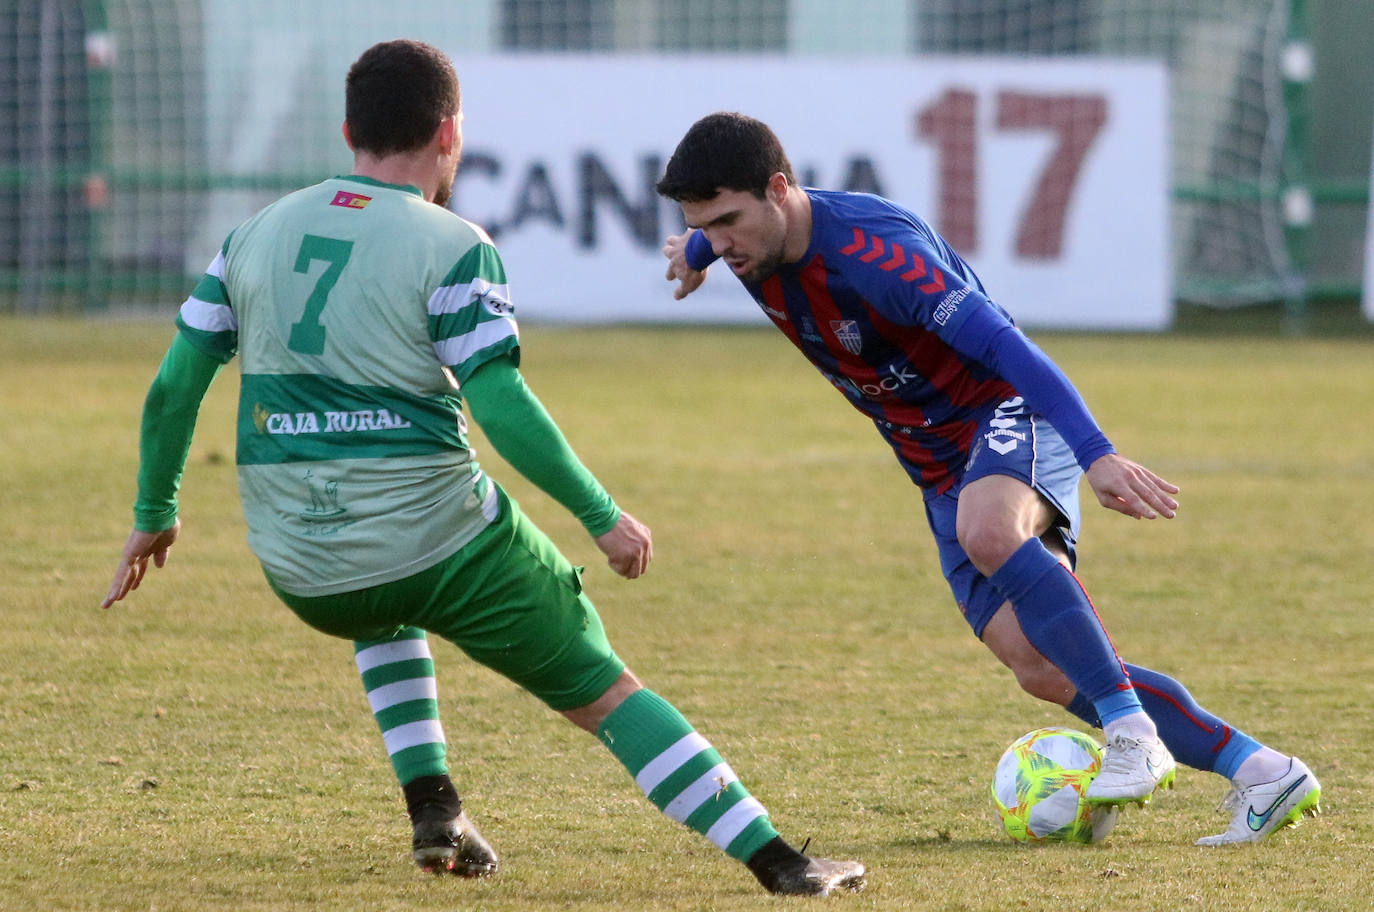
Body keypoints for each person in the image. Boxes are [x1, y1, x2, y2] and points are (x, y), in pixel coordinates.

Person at [99, 45, 865, 897]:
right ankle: (782, 862)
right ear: (450, 132)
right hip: (442, 547)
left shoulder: (254, 232)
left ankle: (435, 808)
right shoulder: (453, 244)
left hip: (304, 568)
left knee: (381, 591)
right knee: (604, 690)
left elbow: (174, 387)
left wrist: (155, 507)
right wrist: (602, 515)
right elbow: (500, 405)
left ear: (350, 131)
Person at [655, 111, 1321, 846]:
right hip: (934, 464)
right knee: (1039, 664)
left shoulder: (879, 256)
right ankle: (1263, 771)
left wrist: (1096, 451)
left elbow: (1009, 347)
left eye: (725, 223)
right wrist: (693, 252)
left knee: (989, 531)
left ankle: (1133, 734)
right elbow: (718, 231)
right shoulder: (746, 238)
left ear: (779, 188)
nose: (720, 243)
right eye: (703, 228)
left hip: (1007, 412)